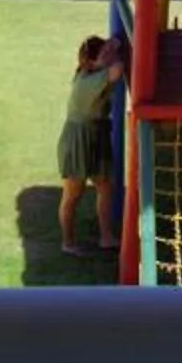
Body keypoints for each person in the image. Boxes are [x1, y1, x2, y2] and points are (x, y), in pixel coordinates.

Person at [56, 35, 127, 257]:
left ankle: (106, 237)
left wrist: (110, 46)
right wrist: (113, 52)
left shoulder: (92, 70)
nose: (109, 54)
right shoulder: (90, 81)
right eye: (104, 53)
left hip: (95, 133)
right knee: (72, 195)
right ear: (96, 60)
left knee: (105, 186)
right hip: (78, 140)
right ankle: (67, 242)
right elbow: (118, 69)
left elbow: (111, 55)